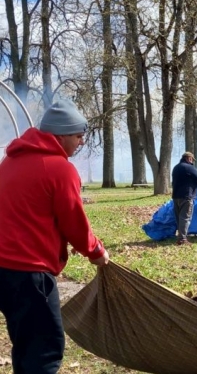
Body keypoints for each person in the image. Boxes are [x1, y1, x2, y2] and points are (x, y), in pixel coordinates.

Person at [0, 100, 110, 373]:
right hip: (30, 273)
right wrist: (96, 252)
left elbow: (29, 212)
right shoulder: (59, 169)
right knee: (45, 350)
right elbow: (74, 221)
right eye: (77, 136)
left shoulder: (10, 162)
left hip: (4, 271)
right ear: (60, 136)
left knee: (25, 344)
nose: (81, 142)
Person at [171, 151, 197, 245]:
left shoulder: (176, 167)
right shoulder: (189, 167)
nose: (192, 161)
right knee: (185, 218)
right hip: (187, 195)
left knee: (179, 217)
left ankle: (180, 236)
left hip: (176, 195)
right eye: (191, 160)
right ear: (189, 158)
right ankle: (182, 239)